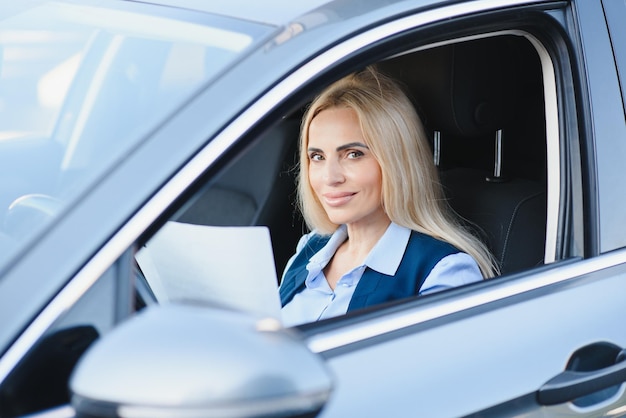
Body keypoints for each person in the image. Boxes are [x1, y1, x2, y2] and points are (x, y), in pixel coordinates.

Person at [279, 66, 497, 327]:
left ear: (397, 161)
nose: (329, 177)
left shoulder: (442, 272)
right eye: (318, 157)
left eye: (353, 154)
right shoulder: (309, 249)